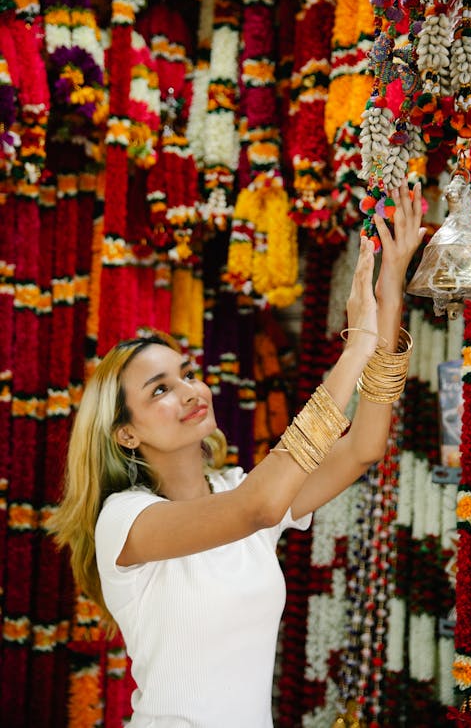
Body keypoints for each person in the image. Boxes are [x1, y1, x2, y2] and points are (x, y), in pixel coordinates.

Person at [49, 181, 424, 728]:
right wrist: (355, 347)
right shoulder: (124, 520)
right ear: (125, 434)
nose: (190, 391)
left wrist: (390, 300)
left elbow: (364, 447)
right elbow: (260, 507)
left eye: (187, 375)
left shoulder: (237, 488)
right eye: (159, 389)